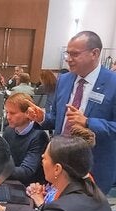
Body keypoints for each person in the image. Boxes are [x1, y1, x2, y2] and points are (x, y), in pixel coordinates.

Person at [26, 31, 116, 194]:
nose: (68, 58)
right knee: (60, 210)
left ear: (94, 53)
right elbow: (58, 120)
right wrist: (42, 117)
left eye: (74, 54)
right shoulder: (64, 80)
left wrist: (88, 122)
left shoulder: (113, 83)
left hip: (94, 165)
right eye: (68, 53)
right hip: (61, 163)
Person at [3, 93, 49, 186]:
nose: (8, 117)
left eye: (12, 113)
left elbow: (26, 172)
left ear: (28, 113)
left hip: (29, 187)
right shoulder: (8, 130)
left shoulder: (39, 136)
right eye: (7, 112)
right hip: (9, 180)